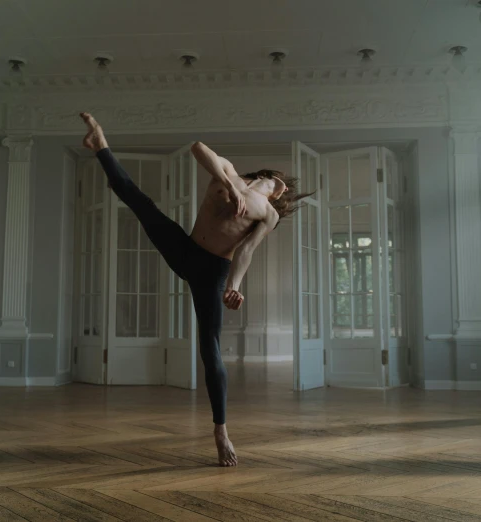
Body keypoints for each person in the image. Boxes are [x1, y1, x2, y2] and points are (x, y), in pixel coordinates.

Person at [79, 112, 310, 466]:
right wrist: (230, 186)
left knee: (210, 347)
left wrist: (233, 286)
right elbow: (198, 148)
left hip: (212, 272)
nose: (281, 190)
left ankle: (221, 431)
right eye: (279, 184)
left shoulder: (269, 214)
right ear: (267, 176)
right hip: (185, 250)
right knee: (138, 201)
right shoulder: (229, 172)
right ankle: (100, 145)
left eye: (284, 193)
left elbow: (246, 250)